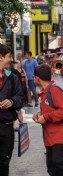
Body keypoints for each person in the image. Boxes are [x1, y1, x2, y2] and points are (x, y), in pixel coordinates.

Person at [33, 64, 63, 176]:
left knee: (59, 165)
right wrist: (39, 114)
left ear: (37, 78)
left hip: (59, 137)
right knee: (52, 169)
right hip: (50, 137)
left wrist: (46, 117)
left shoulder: (54, 90)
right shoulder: (45, 92)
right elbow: (51, 109)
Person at [0, 44, 24, 176]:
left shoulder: (13, 77)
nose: (11, 59)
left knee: (4, 162)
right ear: (0, 57)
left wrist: (12, 101)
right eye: (9, 56)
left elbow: (21, 98)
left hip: (7, 127)